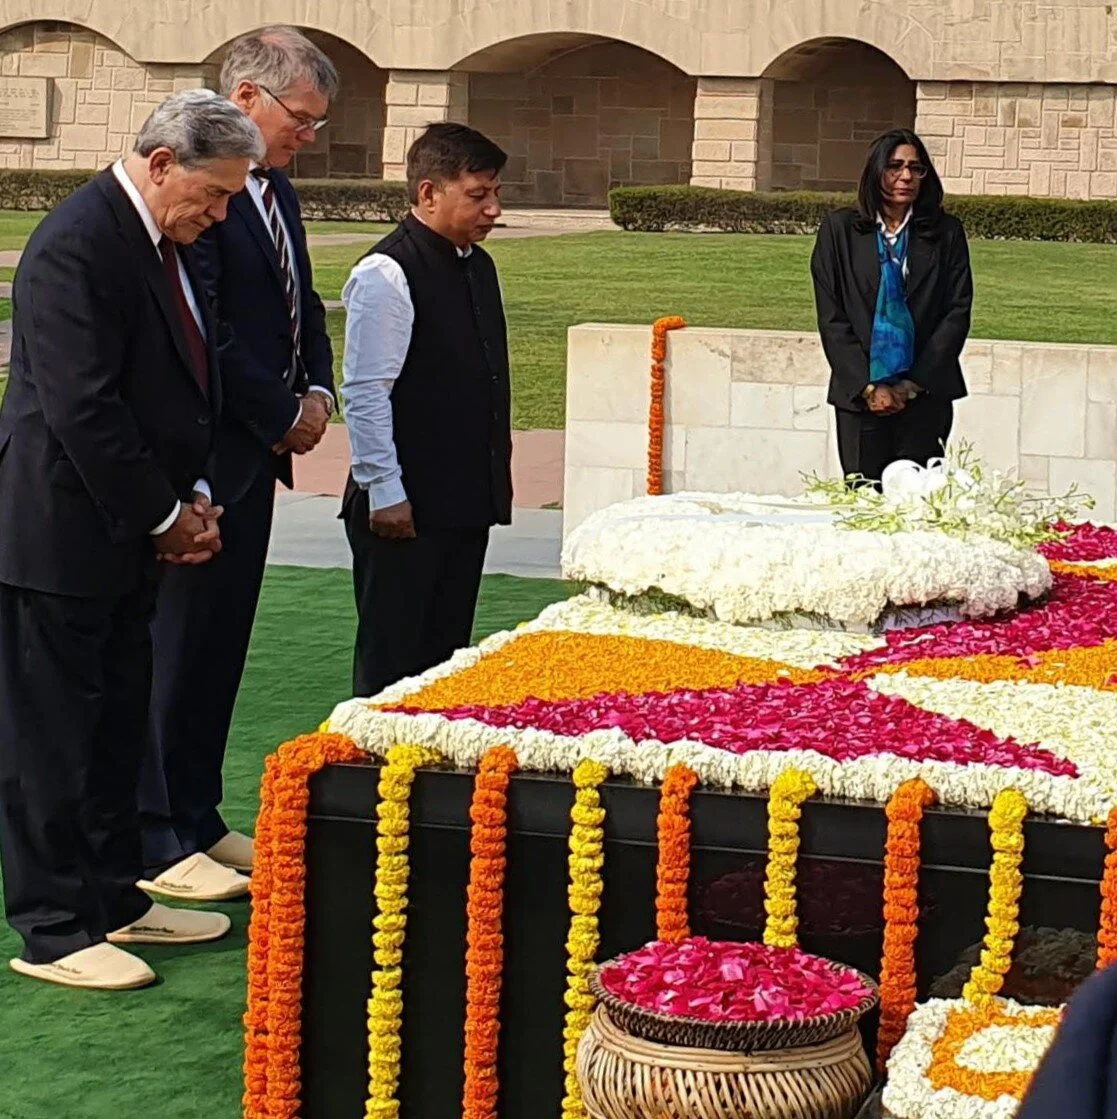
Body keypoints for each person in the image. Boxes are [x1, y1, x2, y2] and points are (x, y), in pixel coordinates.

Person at [0, 90, 265, 990]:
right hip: (59, 531)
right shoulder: (78, 243)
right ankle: (54, 925)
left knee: (116, 722)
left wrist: (189, 493)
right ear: (161, 164)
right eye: (216, 193)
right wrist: (167, 515)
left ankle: (117, 895)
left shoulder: (156, 239)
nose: (222, 213)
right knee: (54, 736)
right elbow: (85, 407)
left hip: (127, 527)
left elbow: (175, 382)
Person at [139, 27, 338, 901]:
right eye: (302, 117)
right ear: (247, 100)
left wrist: (319, 391)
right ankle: (155, 830)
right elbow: (204, 328)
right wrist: (277, 409)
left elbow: (301, 309)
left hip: (258, 460)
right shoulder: (203, 199)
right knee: (175, 650)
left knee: (221, 648)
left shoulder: (276, 193)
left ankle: (197, 810)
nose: (309, 135)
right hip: (205, 457)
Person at [340, 122, 512, 698]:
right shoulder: (386, 272)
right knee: (393, 662)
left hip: (463, 499)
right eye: (477, 195)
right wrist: (384, 489)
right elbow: (365, 392)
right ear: (428, 193)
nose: (492, 208)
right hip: (403, 504)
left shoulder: (477, 265)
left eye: (494, 194)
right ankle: (373, 780)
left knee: (446, 661)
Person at [810, 128, 974, 484]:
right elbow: (832, 316)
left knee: (918, 506)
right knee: (865, 504)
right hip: (861, 399)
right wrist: (871, 387)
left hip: (925, 395)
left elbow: (956, 312)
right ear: (876, 171)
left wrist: (910, 385)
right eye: (895, 166)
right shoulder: (840, 231)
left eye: (916, 168)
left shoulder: (946, 232)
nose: (906, 177)